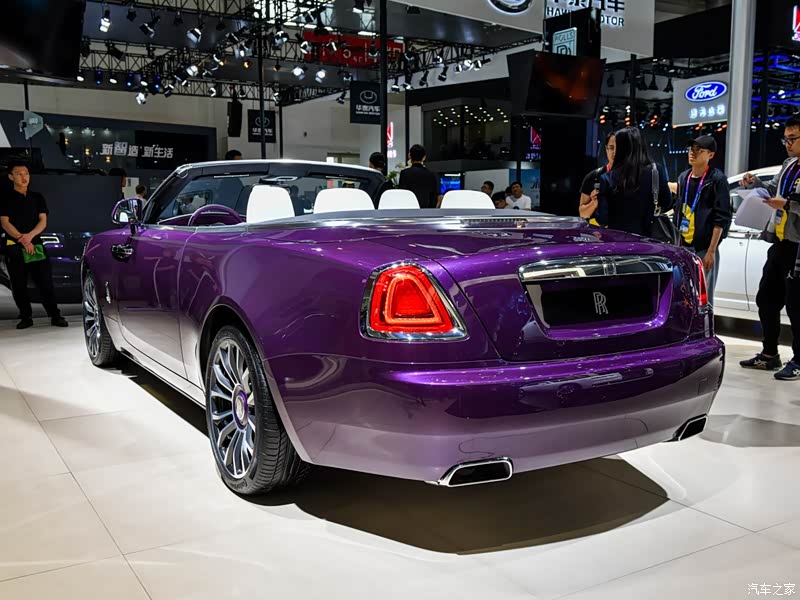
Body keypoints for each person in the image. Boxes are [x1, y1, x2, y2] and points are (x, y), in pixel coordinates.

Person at [739, 117, 800, 381]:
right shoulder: (788, 165)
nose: (787, 144)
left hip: (798, 247)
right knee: (766, 298)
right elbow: (773, 190)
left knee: (797, 306)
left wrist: (787, 205)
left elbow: (787, 201)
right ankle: (769, 353)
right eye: (785, 139)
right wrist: (755, 184)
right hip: (779, 242)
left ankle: (799, 360)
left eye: (793, 139)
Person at [0, 162, 68, 330]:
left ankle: (55, 315)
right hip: (14, 246)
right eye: (19, 174)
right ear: (11, 177)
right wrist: (22, 239)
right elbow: (5, 223)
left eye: (26, 173)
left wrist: (29, 237)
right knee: (18, 284)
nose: (24, 177)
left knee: (45, 282)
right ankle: (25, 316)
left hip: (35, 245)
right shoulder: (5, 198)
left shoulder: (37, 197)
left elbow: (43, 221)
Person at [675, 135, 731, 306]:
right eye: (691, 149)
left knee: (703, 298)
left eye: (698, 150)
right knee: (683, 296)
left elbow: (721, 218)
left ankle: (705, 324)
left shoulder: (716, 179)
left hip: (704, 249)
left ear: (710, 155)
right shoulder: (684, 177)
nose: (692, 153)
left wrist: (711, 251)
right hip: (683, 247)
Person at [596, 127, 672, 236]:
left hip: (617, 239)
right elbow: (666, 202)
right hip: (648, 239)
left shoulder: (607, 178)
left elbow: (603, 219)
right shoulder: (655, 171)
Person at [579, 132, 616, 221]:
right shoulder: (592, 177)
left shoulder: (632, 178)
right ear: (606, 149)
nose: (614, 152)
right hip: (598, 228)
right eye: (611, 148)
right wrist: (594, 203)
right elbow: (583, 214)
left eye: (619, 148)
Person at [398, 144, 439, 209]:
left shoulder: (404, 173)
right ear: (424, 157)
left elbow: (402, 195)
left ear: (409, 156)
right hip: (426, 211)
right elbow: (434, 197)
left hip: (409, 211)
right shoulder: (431, 174)